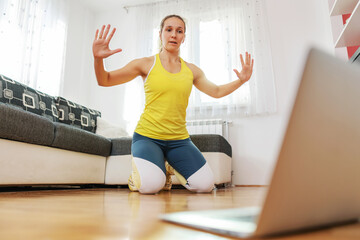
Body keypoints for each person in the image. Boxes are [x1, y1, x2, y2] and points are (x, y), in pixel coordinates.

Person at [93, 15, 254, 194]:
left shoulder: (192, 70)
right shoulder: (145, 64)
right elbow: (105, 80)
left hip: (179, 140)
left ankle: (168, 167)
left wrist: (241, 81)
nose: (174, 35)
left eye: (179, 31)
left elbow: (215, 91)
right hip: (148, 137)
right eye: (169, 29)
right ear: (160, 33)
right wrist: (98, 59)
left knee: (205, 185)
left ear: (184, 37)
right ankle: (138, 178)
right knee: (151, 186)